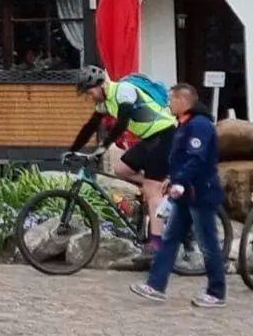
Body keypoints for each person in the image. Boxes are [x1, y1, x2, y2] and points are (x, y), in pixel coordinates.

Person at [131, 83, 227, 308]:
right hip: (185, 194)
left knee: (208, 243)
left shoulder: (199, 126)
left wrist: (181, 181)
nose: (168, 104)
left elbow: (197, 158)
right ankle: (155, 285)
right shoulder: (185, 124)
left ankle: (217, 291)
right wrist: (172, 179)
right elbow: (182, 158)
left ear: (183, 102)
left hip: (200, 193)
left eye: (171, 99)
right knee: (170, 238)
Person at [72, 65, 179, 262]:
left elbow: (122, 123)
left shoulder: (123, 91)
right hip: (149, 138)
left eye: (89, 92)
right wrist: (72, 150)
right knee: (121, 169)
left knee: (151, 191)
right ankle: (161, 188)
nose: (89, 96)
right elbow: (90, 127)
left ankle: (156, 246)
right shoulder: (105, 102)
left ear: (101, 85)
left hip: (165, 135)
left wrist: (103, 146)